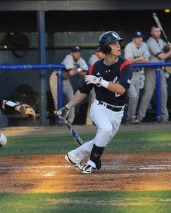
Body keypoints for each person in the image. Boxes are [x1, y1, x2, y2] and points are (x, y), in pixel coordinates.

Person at [57, 31, 133, 174]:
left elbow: (121, 89)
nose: (118, 46)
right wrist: (67, 107)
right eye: (114, 43)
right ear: (106, 47)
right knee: (105, 129)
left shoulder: (125, 65)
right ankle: (92, 162)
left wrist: (99, 81)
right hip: (100, 107)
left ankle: (73, 156)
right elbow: (82, 91)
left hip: (118, 111)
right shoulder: (94, 68)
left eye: (118, 43)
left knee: (101, 140)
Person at [138, 26, 171, 122]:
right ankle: (140, 117)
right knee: (148, 93)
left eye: (159, 31)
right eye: (155, 31)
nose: (158, 33)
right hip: (151, 69)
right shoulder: (150, 42)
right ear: (151, 32)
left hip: (160, 70)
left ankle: (165, 117)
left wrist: (168, 46)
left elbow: (164, 46)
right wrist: (170, 51)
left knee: (164, 92)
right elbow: (161, 56)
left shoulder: (160, 40)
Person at [49, 46, 88, 125]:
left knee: (72, 98)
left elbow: (86, 73)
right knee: (57, 101)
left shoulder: (80, 60)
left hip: (66, 79)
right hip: (56, 78)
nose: (78, 53)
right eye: (75, 52)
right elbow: (71, 73)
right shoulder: (68, 58)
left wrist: (77, 69)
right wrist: (79, 69)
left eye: (79, 52)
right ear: (72, 53)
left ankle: (70, 121)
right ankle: (61, 122)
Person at [124, 31, 150, 123]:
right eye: (137, 37)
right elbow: (127, 61)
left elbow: (147, 60)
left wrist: (135, 61)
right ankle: (130, 117)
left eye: (140, 37)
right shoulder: (129, 46)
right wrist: (139, 59)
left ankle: (131, 117)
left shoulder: (144, 45)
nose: (139, 39)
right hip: (128, 74)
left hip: (138, 73)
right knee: (133, 96)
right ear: (133, 39)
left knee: (136, 96)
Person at [85, 46, 105, 125]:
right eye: (100, 52)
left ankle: (97, 122)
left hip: (99, 84)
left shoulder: (103, 59)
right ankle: (89, 123)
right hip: (92, 84)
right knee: (93, 103)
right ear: (96, 53)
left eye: (103, 52)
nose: (102, 53)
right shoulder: (93, 58)